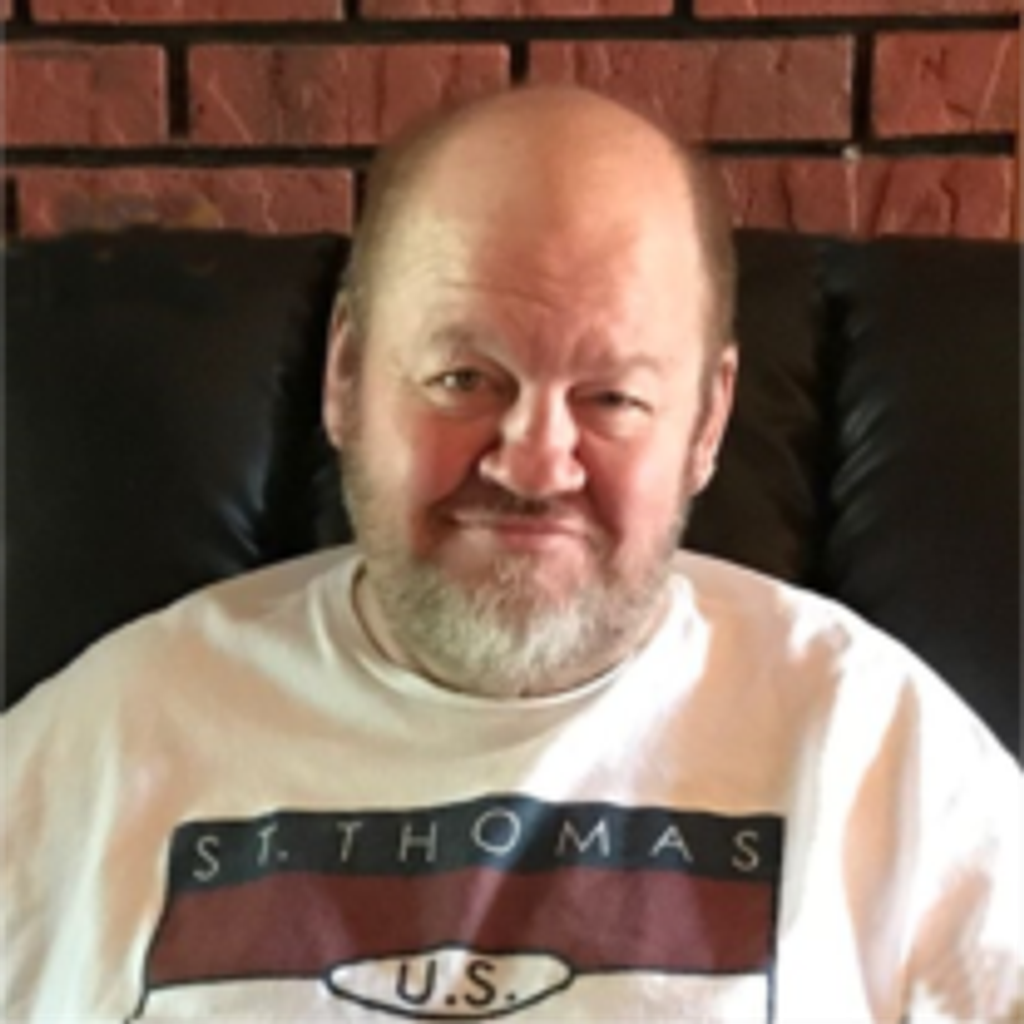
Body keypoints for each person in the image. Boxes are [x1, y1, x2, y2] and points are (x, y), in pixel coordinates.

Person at [0, 86, 1020, 1024]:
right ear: (347, 377)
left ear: (707, 420)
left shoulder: (869, 741)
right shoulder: (100, 743)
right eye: (463, 377)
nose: (535, 464)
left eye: (611, 396)